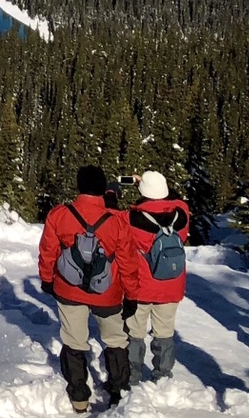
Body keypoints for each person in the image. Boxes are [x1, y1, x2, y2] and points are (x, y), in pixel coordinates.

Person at [39, 164, 137, 412]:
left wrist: (47, 279)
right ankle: (117, 392)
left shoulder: (59, 214)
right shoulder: (117, 221)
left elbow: (48, 250)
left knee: (74, 340)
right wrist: (132, 295)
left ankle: (79, 397)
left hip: (69, 290)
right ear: (103, 189)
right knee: (115, 340)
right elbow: (128, 262)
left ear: (79, 186)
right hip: (109, 293)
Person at [123, 169, 191, 383]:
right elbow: (177, 198)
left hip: (141, 286)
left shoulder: (132, 217)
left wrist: (128, 185)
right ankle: (162, 375)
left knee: (134, 333)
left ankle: (131, 375)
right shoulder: (182, 213)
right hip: (171, 285)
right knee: (165, 333)